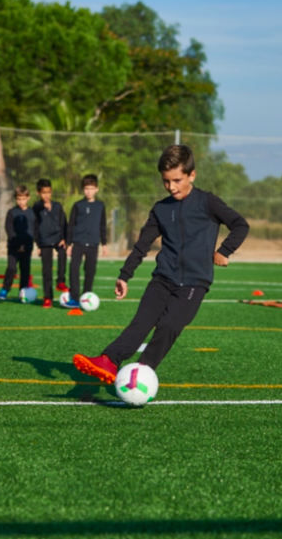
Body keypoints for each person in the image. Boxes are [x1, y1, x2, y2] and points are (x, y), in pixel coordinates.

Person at [73, 145, 249, 383]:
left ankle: (141, 372)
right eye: (166, 181)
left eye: (177, 180)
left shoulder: (208, 203)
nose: (171, 187)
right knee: (141, 322)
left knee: (169, 325)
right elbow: (142, 244)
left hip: (194, 283)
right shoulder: (161, 209)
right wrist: (125, 275)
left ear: (192, 175)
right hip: (162, 278)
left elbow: (240, 224)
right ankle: (109, 360)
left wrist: (224, 250)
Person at [65, 174, 107, 308]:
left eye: (91, 188)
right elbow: (71, 225)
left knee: (90, 271)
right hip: (78, 242)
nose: (89, 191)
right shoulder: (78, 205)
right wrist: (69, 243)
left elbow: (102, 225)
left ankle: (86, 296)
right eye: (86, 188)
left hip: (93, 244)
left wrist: (104, 243)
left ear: (97, 189)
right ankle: (74, 297)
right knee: (73, 269)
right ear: (83, 190)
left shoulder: (100, 206)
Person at [33, 178, 69, 308]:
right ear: (38, 193)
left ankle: (60, 281)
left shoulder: (58, 206)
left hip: (58, 239)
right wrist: (38, 244)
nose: (46, 195)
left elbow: (64, 223)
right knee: (46, 271)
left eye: (48, 192)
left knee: (63, 255)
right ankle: (48, 297)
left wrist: (65, 239)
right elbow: (35, 225)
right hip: (44, 242)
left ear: (51, 192)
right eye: (43, 193)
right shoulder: (37, 207)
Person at [0, 185, 36, 300]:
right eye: (19, 199)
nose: (21, 201)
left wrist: (30, 244)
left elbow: (34, 230)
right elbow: (9, 229)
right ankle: (5, 288)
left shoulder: (32, 213)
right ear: (16, 198)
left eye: (23, 199)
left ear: (28, 198)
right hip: (13, 247)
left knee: (25, 270)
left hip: (27, 247)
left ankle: (23, 292)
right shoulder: (12, 212)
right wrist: (17, 245)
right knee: (12, 268)